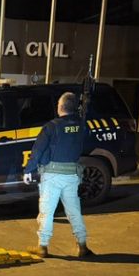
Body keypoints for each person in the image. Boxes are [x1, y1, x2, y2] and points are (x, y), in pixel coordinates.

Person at [23, 92, 93, 258]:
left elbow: (38, 150)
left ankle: (42, 247)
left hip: (52, 175)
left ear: (60, 107)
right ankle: (82, 245)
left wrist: (28, 170)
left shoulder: (51, 127)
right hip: (72, 175)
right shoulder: (82, 125)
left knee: (47, 212)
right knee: (74, 211)